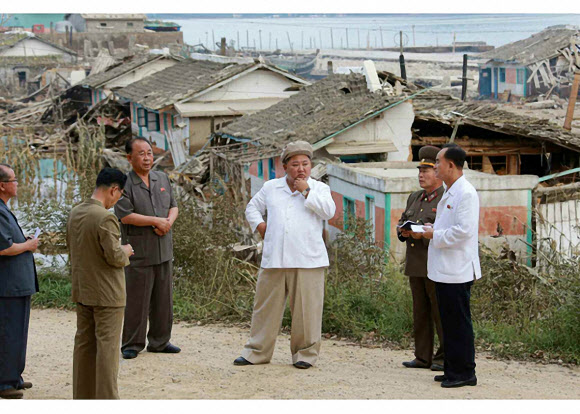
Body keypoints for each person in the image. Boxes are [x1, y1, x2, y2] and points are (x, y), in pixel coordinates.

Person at [234, 141, 336, 369]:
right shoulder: (271, 187)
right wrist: (261, 226)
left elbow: (329, 212)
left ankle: (304, 355)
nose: (301, 169)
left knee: (306, 311)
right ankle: (256, 352)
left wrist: (305, 191)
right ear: (285, 167)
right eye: (296, 164)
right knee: (265, 308)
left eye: (306, 164)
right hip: (275, 259)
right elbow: (252, 208)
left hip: (308, 260)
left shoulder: (319, 188)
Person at [414, 143, 482, 388]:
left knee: (459, 323)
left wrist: (435, 235)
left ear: (451, 165)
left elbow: (464, 231)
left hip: (458, 269)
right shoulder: (449, 190)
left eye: (439, 162)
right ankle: (452, 367)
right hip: (444, 269)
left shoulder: (466, 193)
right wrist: (435, 231)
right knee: (448, 322)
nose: (435, 166)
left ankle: (465, 372)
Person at [67, 168, 134, 399]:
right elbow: (114, 257)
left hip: (83, 290)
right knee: (107, 351)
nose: (117, 200)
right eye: (119, 194)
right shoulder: (106, 217)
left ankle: (83, 398)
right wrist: (125, 250)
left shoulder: (76, 212)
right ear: (114, 189)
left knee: (84, 346)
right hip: (107, 295)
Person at [114, 138, 180, 359]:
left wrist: (167, 222)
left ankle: (160, 341)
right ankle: (132, 343)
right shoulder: (124, 184)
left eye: (149, 153)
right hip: (139, 251)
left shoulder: (161, 178)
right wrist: (156, 221)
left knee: (163, 299)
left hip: (163, 248)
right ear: (129, 158)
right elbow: (125, 215)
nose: (146, 158)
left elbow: (173, 206)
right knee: (137, 299)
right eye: (141, 154)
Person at [397, 146, 445, 372]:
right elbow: (403, 221)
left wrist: (423, 235)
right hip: (416, 264)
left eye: (426, 170)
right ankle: (422, 356)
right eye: (420, 170)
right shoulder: (414, 197)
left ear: (438, 172)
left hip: (436, 264)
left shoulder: (446, 198)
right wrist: (403, 231)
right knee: (421, 313)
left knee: (440, 313)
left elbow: (446, 232)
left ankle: (443, 357)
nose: (421, 174)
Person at [0, 163, 39, 399]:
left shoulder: (5, 209)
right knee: (8, 332)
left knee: (18, 331)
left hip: (17, 284)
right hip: (8, 285)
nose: (17, 184)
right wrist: (28, 245)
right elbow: (4, 248)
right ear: (3, 185)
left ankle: (15, 375)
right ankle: (5, 383)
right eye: (13, 180)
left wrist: (22, 241)